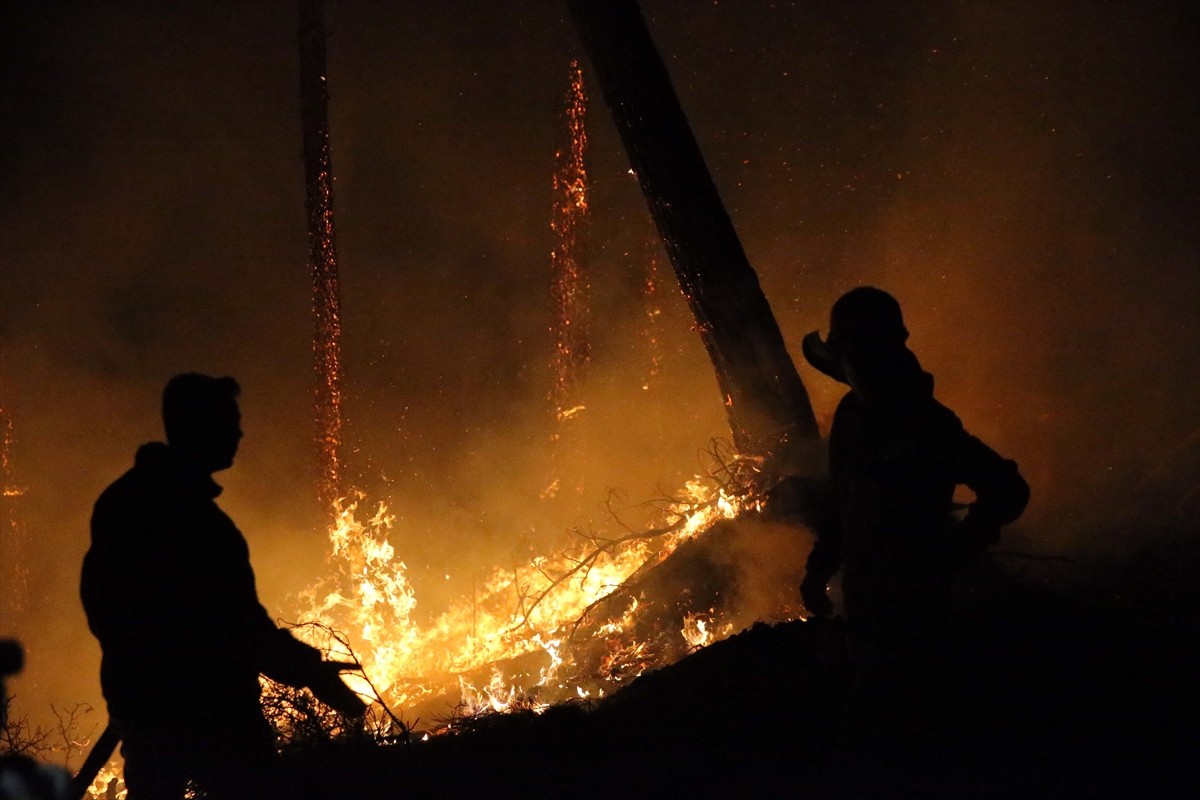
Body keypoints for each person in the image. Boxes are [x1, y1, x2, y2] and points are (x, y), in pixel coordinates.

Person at [80, 374, 364, 800]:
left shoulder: (122, 501)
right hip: (213, 713)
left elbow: (100, 601)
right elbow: (237, 624)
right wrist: (309, 671)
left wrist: (134, 672)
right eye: (229, 422)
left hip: (144, 707)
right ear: (200, 428)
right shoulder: (199, 525)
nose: (239, 432)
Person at [797, 288, 1029, 772]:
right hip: (864, 603)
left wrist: (958, 545)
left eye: (862, 353)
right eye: (850, 355)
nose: (855, 366)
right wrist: (820, 567)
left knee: (894, 736)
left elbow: (1007, 489)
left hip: (917, 610)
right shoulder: (852, 416)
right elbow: (843, 501)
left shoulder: (928, 424)